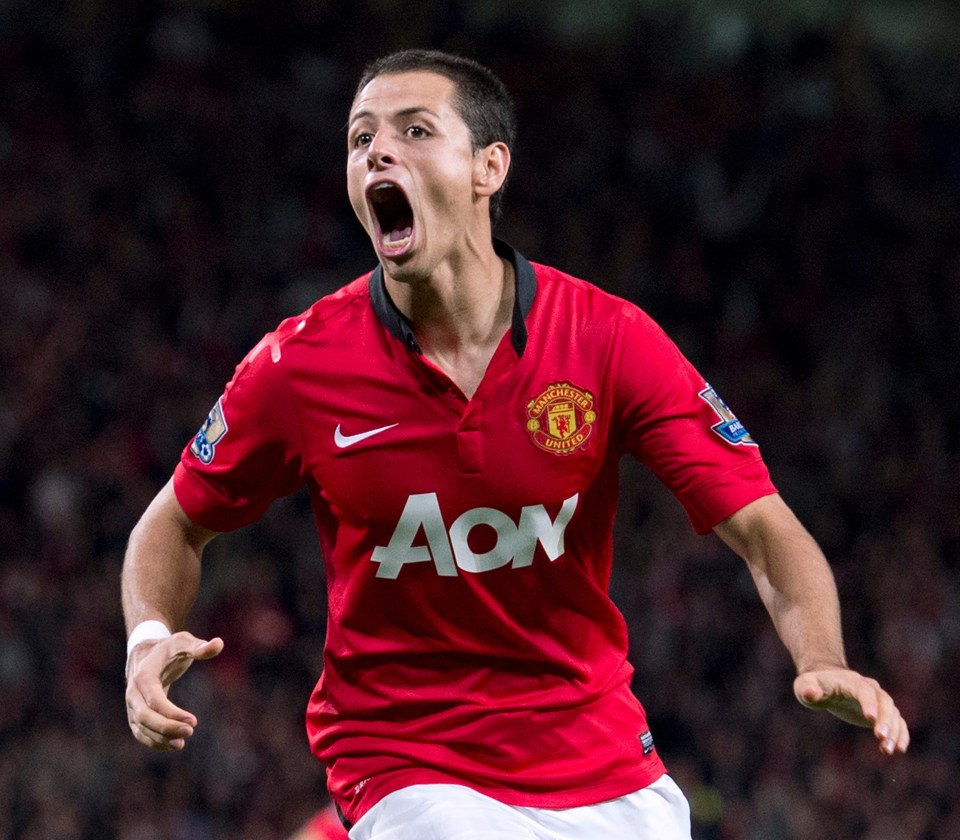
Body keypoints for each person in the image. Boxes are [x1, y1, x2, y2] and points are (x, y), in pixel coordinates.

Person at [122, 49, 909, 840]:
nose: (376, 153)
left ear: (488, 167)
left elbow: (764, 528)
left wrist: (821, 656)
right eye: (361, 139)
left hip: (604, 767)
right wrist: (148, 639)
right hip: (404, 766)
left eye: (414, 129)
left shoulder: (607, 340)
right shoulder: (299, 364)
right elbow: (174, 522)